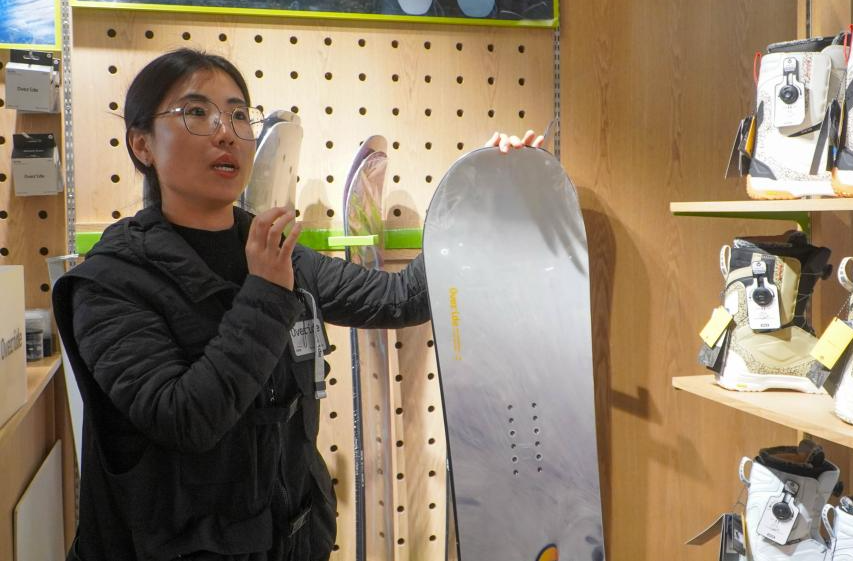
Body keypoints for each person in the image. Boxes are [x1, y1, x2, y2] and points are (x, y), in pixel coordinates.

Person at [51, 48, 544, 561]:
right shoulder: (111, 281)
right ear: (142, 144)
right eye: (196, 112)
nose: (226, 133)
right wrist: (266, 291)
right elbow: (186, 419)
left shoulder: (271, 247)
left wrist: (483, 196)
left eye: (238, 115)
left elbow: (402, 299)